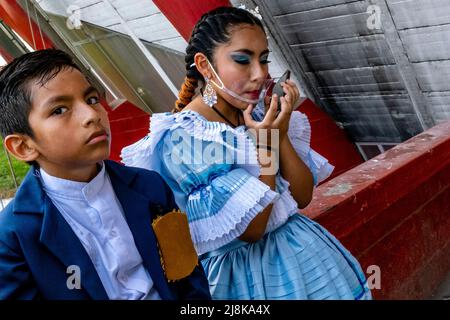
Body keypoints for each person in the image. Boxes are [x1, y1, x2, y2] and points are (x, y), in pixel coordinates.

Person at [121, 6, 372, 300]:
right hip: (247, 279)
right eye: (243, 60)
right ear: (204, 65)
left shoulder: (259, 115)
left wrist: (279, 135)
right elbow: (251, 228)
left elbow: (303, 196)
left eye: (264, 59)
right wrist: (264, 146)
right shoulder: (183, 138)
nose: (260, 74)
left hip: (310, 258)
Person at [0, 49, 211, 300]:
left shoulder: (149, 186)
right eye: (59, 110)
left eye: (90, 100)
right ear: (23, 147)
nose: (92, 115)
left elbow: (189, 276)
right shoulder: (14, 236)